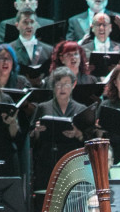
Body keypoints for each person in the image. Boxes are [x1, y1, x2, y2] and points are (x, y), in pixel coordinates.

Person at [30, 66, 86, 194]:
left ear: (73, 85)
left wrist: (77, 134)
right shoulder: (43, 107)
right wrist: (37, 131)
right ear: (53, 86)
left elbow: (88, 139)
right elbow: (31, 137)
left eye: (66, 84)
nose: (62, 88)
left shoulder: (81, 109)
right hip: (47, 162)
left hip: (73, 163)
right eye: (58, 84)